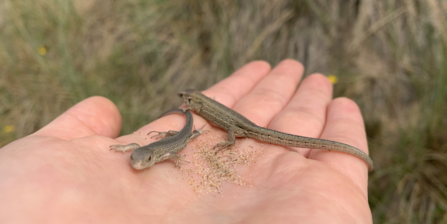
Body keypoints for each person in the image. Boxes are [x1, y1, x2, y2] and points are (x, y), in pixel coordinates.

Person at [0, 59, 372, 223]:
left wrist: (229, 142)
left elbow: (235, 127)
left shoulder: (209, 113)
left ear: (193, 103)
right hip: (240, 125)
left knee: (247, 134)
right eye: (187, 100)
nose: (184, 101)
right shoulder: (195, 113)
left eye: (187, 99)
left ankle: (349, 151)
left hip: (243, 129)